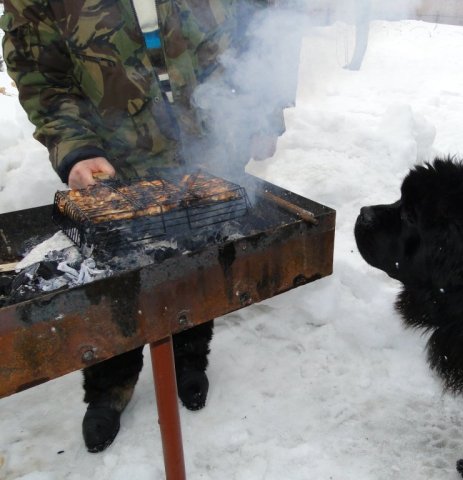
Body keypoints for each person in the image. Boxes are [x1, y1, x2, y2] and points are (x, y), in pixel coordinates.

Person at [1, 0, 282, 453]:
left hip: (212, 142)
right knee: (116, 277)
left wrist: (264, 111)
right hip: (115, 160)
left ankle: (190, 356)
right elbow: (40, 72)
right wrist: (75, 148)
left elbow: (266, 22)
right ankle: (110, 387)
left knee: (200, 257)